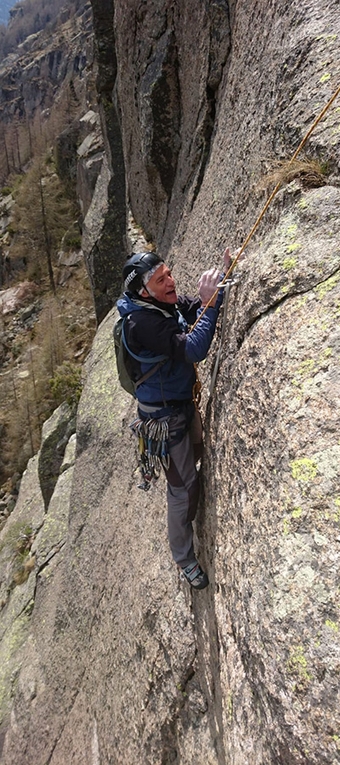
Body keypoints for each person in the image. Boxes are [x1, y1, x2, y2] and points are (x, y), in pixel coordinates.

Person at [117, 248, 232, 590]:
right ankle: (184, 559)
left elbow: (193, 313)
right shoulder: (141, 323)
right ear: (142, 291)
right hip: (165, 418)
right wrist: (211, 302)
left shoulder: (160, 304)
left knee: (193, 460)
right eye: (160, 280)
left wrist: (217, 287)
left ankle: (186, 498)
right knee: (181, 489)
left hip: (178, 404)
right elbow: (194, 348)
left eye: (168, 273)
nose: (170, 282)